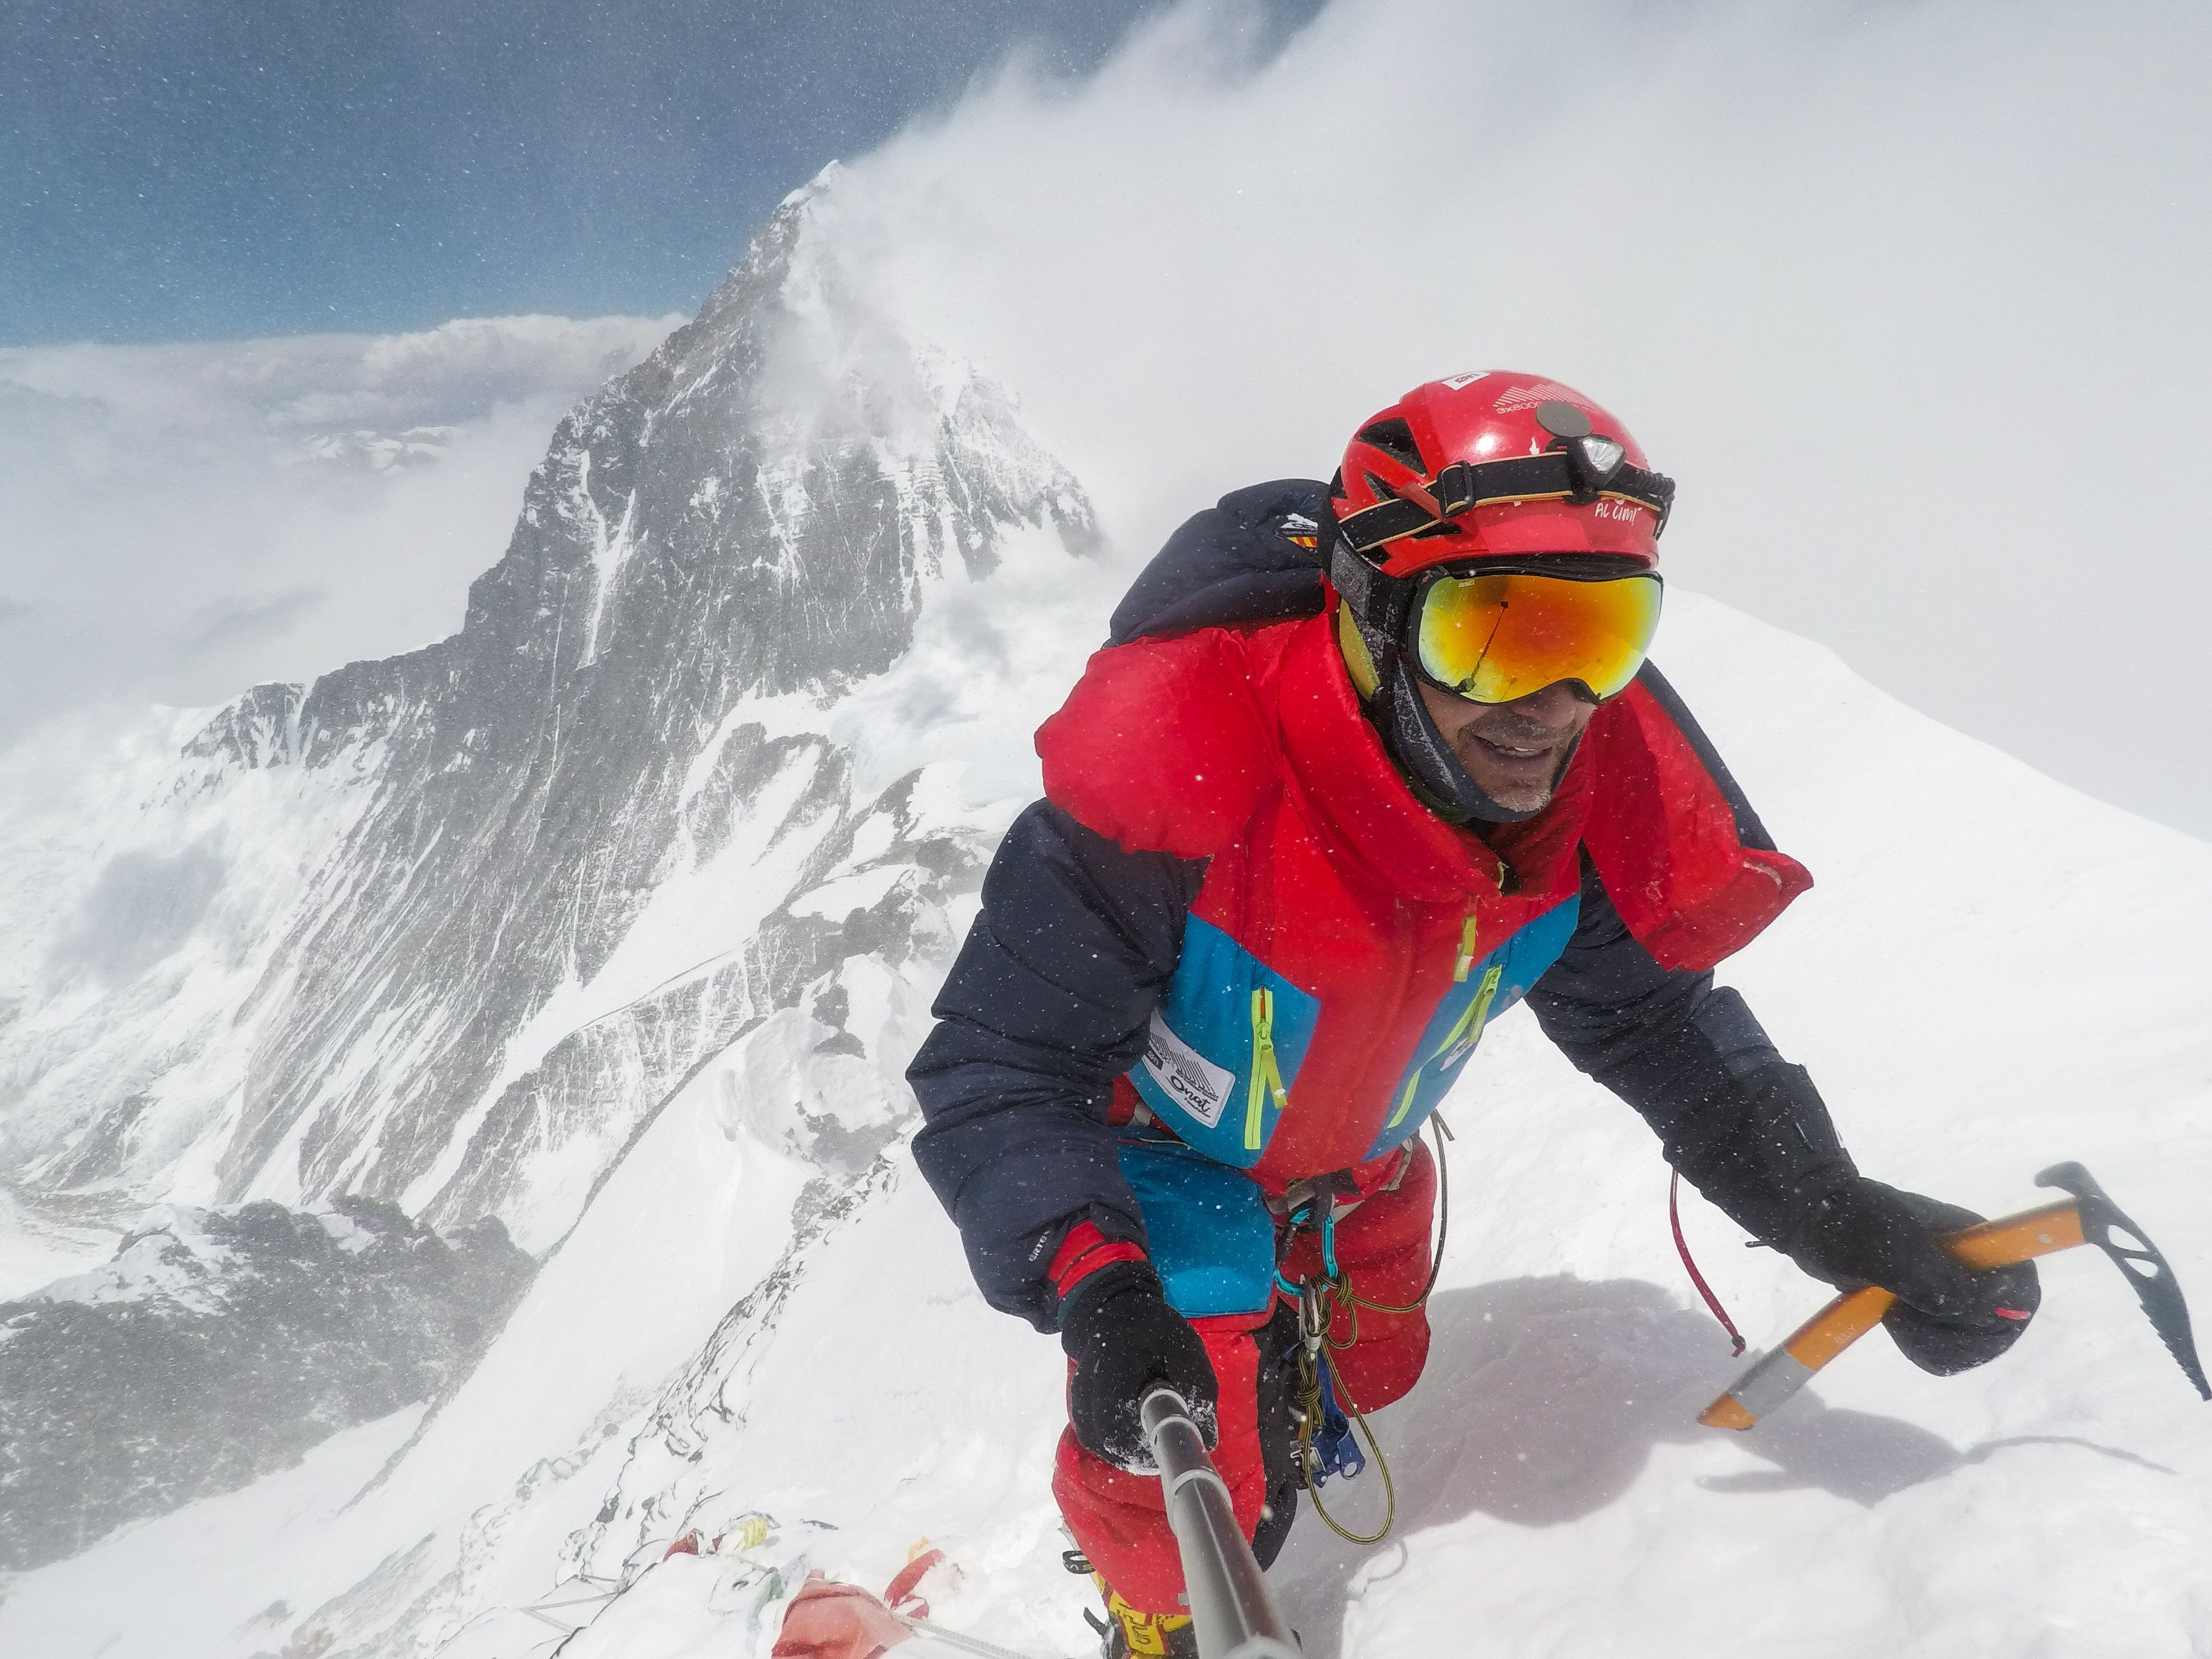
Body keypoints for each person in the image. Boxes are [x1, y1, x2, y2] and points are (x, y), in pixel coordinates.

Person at [907, 372, 2038, 1658]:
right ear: (1373, 614)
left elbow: (1652, 1027)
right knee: (1188, 1439)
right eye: (1496, 633)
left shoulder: (1566, 819)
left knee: (1372, 1373)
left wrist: (1832, 1211)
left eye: (1599, 638)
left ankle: (1278, 1413)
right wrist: (1095, 1277)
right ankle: (1157, 1616)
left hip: (1350, 1155)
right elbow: (1002, 1067)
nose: (1552, 705)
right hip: (1154, 1159)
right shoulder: (1183, 784)